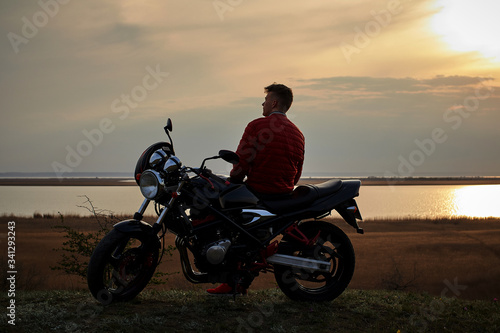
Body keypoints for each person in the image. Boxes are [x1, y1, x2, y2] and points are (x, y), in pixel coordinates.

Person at [207, 83, 305, 295]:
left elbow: (241, 163)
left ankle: (232, 280)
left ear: (274, 102)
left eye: (266, 99)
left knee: (222, 217)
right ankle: (242, 276)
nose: (263, 103)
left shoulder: (257, 126)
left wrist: (232, 180)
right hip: (284, 196)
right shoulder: (299, 135)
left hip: (259, 192)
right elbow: (297, 174)